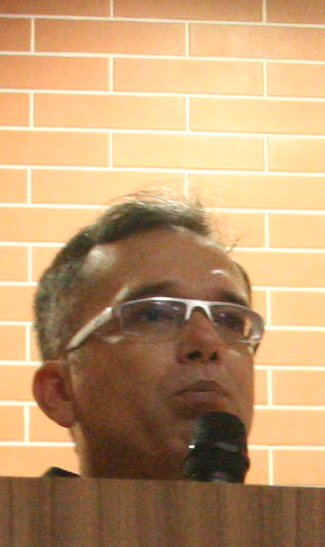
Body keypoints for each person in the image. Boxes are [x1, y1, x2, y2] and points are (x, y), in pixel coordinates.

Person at [29, 190, 264, 480]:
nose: (207, 342)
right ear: (60, 391)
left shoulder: (302, 511)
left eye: (230, 320)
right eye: (154, 314)